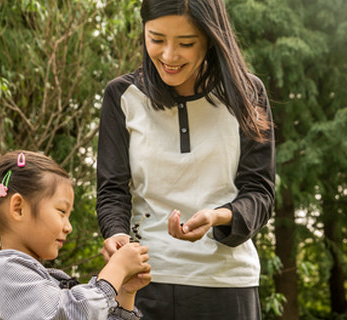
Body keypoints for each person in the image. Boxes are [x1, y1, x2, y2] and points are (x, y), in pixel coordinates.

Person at [96, 0, 275, 318]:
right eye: (156, 39)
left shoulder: (248, 94)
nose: (168, 56)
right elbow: (111, 190)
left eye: (186, 43)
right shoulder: (122, 96)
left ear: (211, 37)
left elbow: (260, 192)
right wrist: (116, 234)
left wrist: (218, 217)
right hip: (143, 283)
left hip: (227, 283)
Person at [0, 150, 152, 320]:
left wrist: (123, 293)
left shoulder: (42, 280)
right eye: (61, 211)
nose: (68, 227)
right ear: (18, 208)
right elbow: (69, 314)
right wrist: (117, 269)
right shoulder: (8, 273)